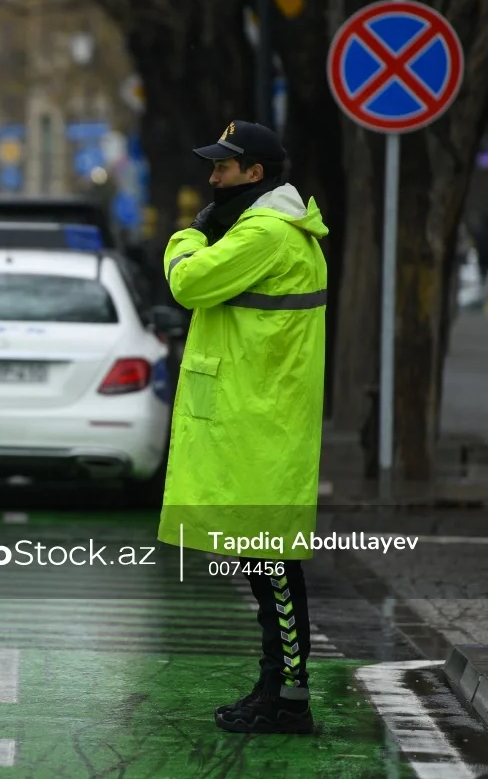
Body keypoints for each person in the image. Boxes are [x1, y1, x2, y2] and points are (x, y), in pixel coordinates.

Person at [156, 121, 328, 734]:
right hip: (259, 420)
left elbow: (189, 282)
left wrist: (187, 236)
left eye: (223, 168)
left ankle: (288, 699)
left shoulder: (267, 235)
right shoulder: (272, 229)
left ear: (255, 174)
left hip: (263, 425)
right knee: (264, 572)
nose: (212, 176)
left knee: (274, 572)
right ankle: (276, 689)